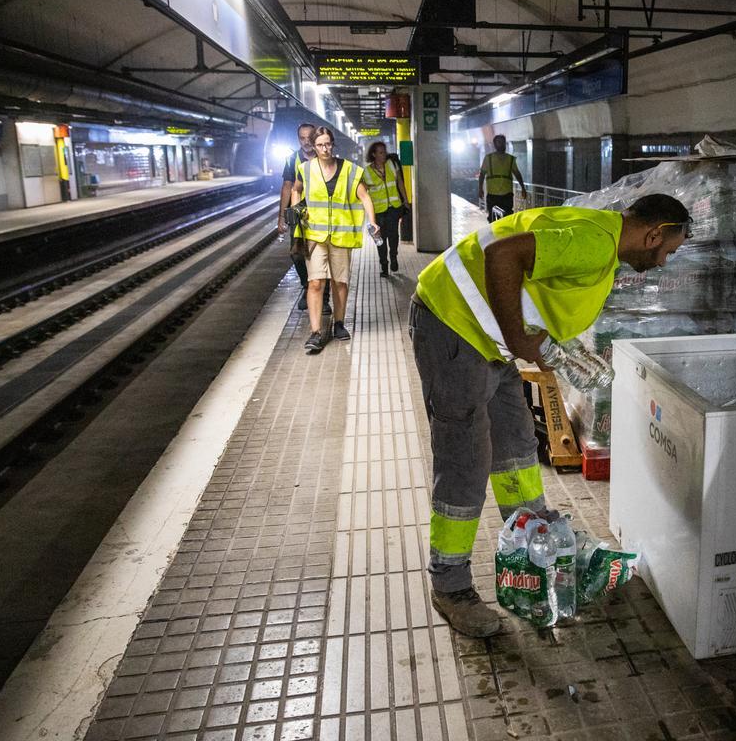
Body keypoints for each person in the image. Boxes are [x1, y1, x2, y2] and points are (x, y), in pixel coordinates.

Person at [409, 194, 692, 636]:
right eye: (667, 251)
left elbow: (534, 282)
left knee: (517, 445)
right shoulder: (596, 243)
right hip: (452, 324)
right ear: (654, 233)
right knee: (465, 459)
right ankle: (450, 585)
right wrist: (518, 337)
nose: (662, 263)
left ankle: (534, 552)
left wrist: (536, 340)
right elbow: (501, 254)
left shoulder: (604, 241)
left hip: (487, 340)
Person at [290, 128, 380, 354]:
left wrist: (373, 221)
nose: (324, 149)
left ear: (333, 144)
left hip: (341, 234)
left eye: (328, 144)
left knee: (340, 282)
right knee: (316, 282)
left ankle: (339, 323)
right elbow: (296, 189)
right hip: (315, 235)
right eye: (320, 145)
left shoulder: (349, 170)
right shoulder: (306, 169)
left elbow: (364, 196)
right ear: (313, 146)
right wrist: (297, 210)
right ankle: (316, 332)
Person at [278, 123, 330, 313]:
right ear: (298, 139)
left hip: (322, 214)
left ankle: (323, 298)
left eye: (309, 137)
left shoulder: (324, 156)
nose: (306, 141)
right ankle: (307, 286)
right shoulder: (292, 159)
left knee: (323, 256)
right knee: (297, 253)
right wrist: (282, 216)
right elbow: (287, 186)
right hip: (299, 215)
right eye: (302, 138)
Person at [363, 141, 411, 277]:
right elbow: (364, 193)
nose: (384, 155)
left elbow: (400, 182)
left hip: (393, 208)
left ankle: (394, 257)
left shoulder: (391, 164)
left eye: (384, 151)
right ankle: (384, 264)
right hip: (377, 211)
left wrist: (405, 200)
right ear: (373, 154)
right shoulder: (367, 172)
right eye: (381, 152)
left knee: (394, 235)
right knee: (380, 239)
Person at [478, 135, 527, 222]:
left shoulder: (510, 159)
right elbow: (482, 174)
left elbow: (517, 174)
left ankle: (505, 234)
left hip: (507, 194)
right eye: (499, 142)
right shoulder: (488, 158)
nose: (501, 144)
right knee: (493, 217)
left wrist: (523, 188)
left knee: (507, 217)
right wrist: (480, 189)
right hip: (493, 194)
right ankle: (495, 233)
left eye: (503, 142)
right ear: (495, 144)